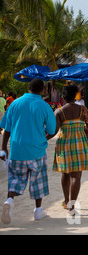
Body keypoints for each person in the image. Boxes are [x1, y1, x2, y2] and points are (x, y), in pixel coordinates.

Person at [0, 79, 57, 224]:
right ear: (43, 90)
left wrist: (3, 147)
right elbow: (52, 129)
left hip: (17, 150)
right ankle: (38, 211)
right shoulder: (44, 106)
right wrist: (43, 138)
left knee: (14, 179)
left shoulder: (15, 103)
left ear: (28, 87)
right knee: (38, 181)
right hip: (36, 151)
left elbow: (6, 127)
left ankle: (9, 200)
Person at [47, 85, 88, 213]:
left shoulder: (59, 112)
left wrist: (42, 139)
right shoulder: (83, 110)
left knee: (65, 174)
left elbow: (53, 131)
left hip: (64, 146)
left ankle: (66, 201)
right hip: (80, 145)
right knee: (76, 176)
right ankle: (72, 205)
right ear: (76, 96)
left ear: (63, 97)